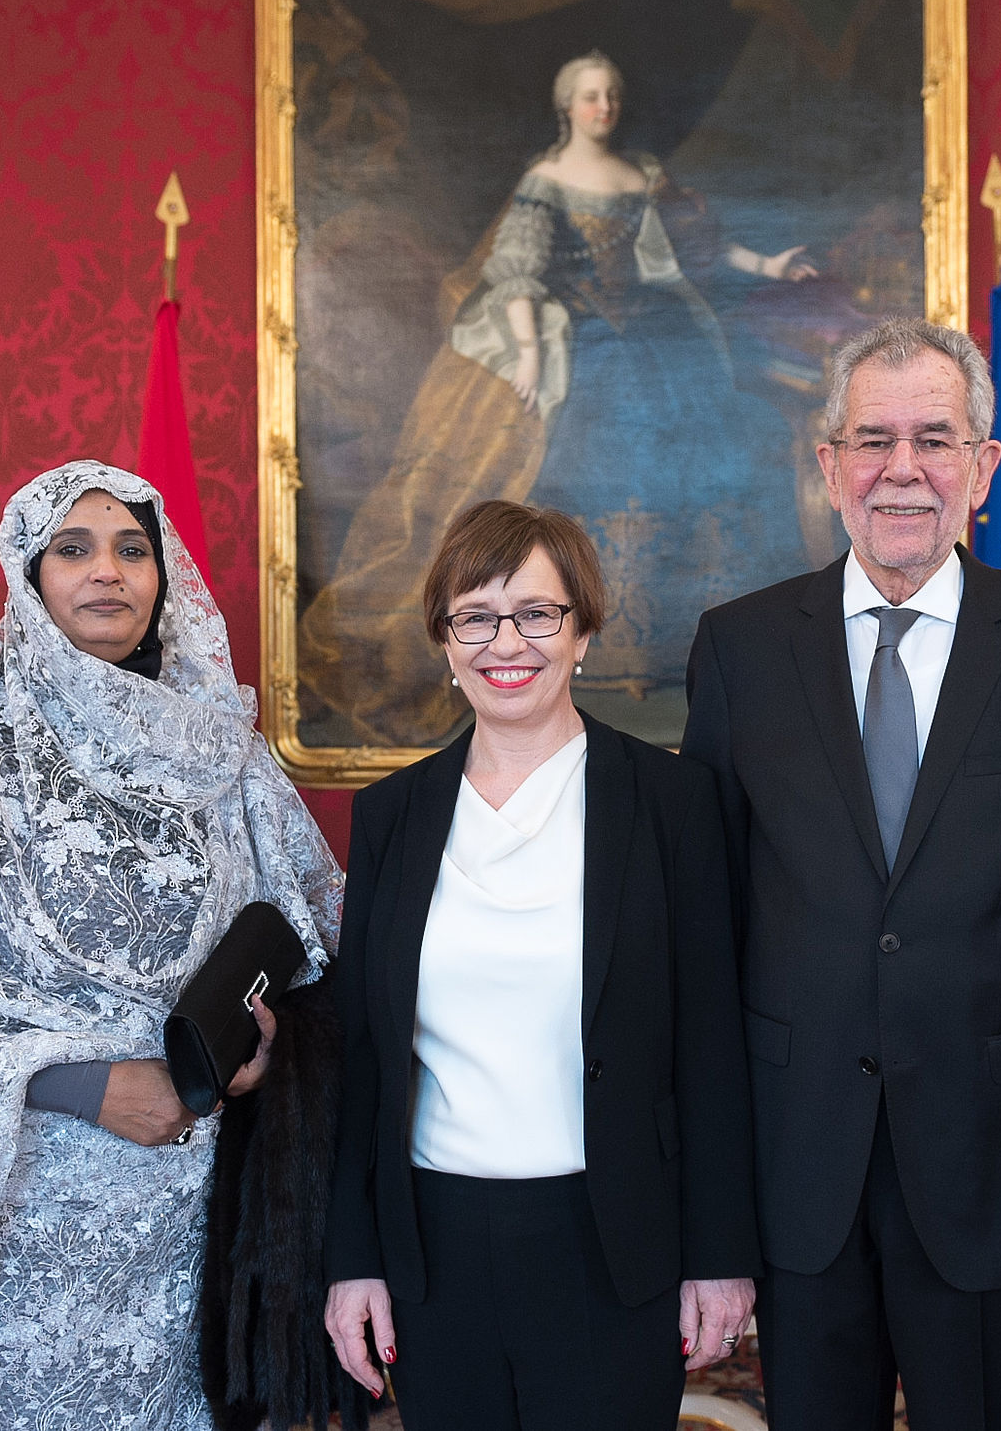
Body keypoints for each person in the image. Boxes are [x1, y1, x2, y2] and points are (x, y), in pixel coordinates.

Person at [0, 462, 343, 1431]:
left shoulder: (222, 750)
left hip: (208, 1211)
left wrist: (270, 1044)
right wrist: (85, 1085)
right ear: (31, 578)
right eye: (73, 548)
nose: (107, 570)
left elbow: (314, 932)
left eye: (131, 548)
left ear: (162, 577)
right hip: (39, 1219)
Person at [680, 318, 1001, 1430]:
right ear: (827, 463)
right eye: (872, 439)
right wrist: (712, 1212)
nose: (902, 469)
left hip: (998, 1172)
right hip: (799, 1171)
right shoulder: (739, 649)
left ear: (984, 464)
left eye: (934, 438)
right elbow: (705, 942)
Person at [321, 500, 758, 1430]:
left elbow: (713, 1043)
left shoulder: (672, 802)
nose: (506, 642)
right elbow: (361, 1057)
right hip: (433, 1250)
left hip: (615, 1241)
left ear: (583, 631)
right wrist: (353, 1260)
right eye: (475, 617)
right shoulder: (394, 815)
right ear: (445, 642)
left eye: (536, 613)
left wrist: (720, 1256)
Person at [298, 50, 818, 745]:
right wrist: (531, 351)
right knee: (572, 461)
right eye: (590, 96)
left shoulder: (642, 175)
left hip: (657, 339)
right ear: (567, 106)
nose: (603, 107)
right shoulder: (545, 181)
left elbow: (700, 249)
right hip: (577, 345)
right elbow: (515, 270)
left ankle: (666, 652)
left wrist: (769, 264)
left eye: (611, 95)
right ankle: (573, 648)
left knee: (699, 460)